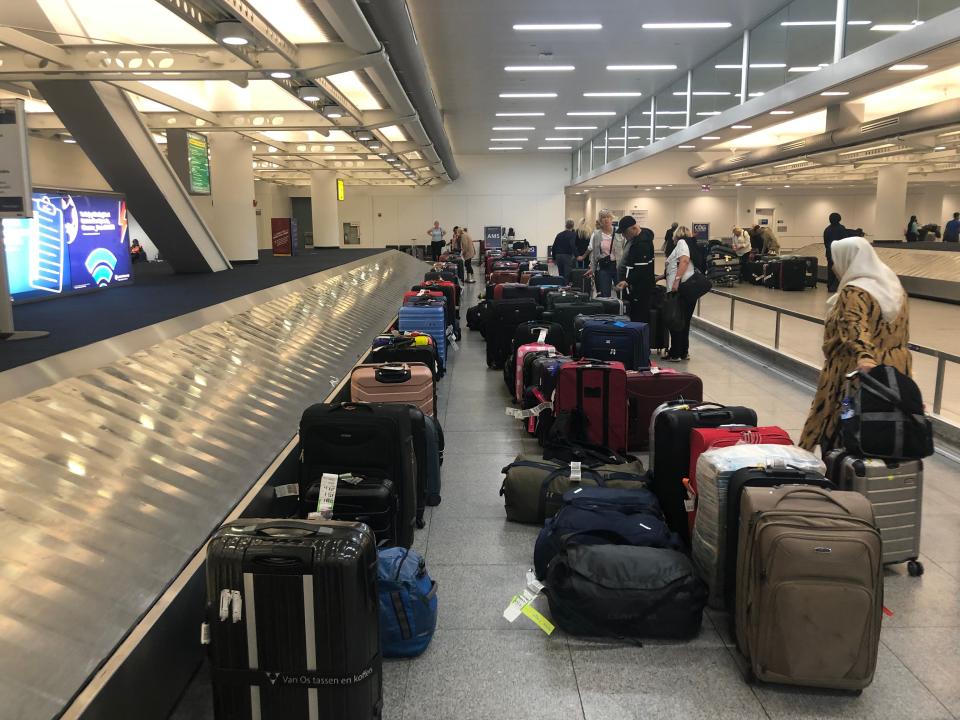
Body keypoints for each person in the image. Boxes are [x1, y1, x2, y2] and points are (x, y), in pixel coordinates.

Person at [800, 237, 911, 454]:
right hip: (894, 369)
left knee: (841, 425)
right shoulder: (893, 287)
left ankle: (832, 472)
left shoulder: (855, 291)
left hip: (855, 369)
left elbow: (854, 324)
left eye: (835, 260)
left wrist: (864, 356)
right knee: (882, 425)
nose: (833, 266)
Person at [658, 233, 697, 361]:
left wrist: (676, 281)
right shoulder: (690, 245)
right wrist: (660, 277)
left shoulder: (681, 243)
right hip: (687, 289)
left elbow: (684, 261)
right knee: (684, 322)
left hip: (679, 290)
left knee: (675, 320)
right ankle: (683, 352)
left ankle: (675, 353)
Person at [615, 218, 656, 323]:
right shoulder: (635, 240)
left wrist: (627, 281)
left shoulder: (642, 244)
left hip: (640, 290)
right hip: (633, 288)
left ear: (634, 228)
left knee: (638, 318)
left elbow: (641, 270)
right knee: (632, 316)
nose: (624, 235)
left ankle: (638, 337)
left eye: (625, 232)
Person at [585, 210, 623, 298]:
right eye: (603, 218)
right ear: (600, 220)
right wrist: (592, 269)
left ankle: (622, 310)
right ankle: (606, 311)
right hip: (604, 266)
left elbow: (624, 250)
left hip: (618, 266)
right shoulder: (596, 234)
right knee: (604, 294)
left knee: (622, 293)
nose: (606, 220)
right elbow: (595, 255)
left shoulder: (619, 233)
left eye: (608, 217)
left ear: (611, 219)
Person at [823, 212, 852, 292]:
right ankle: (837, 286)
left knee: (831, 269)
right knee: (840, 270)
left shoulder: (827, 229)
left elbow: (825, 242)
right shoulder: (841, 228)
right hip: (839, 253)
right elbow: (845, 241)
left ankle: (830, 286)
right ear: (839, 219)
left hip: (829, 253)